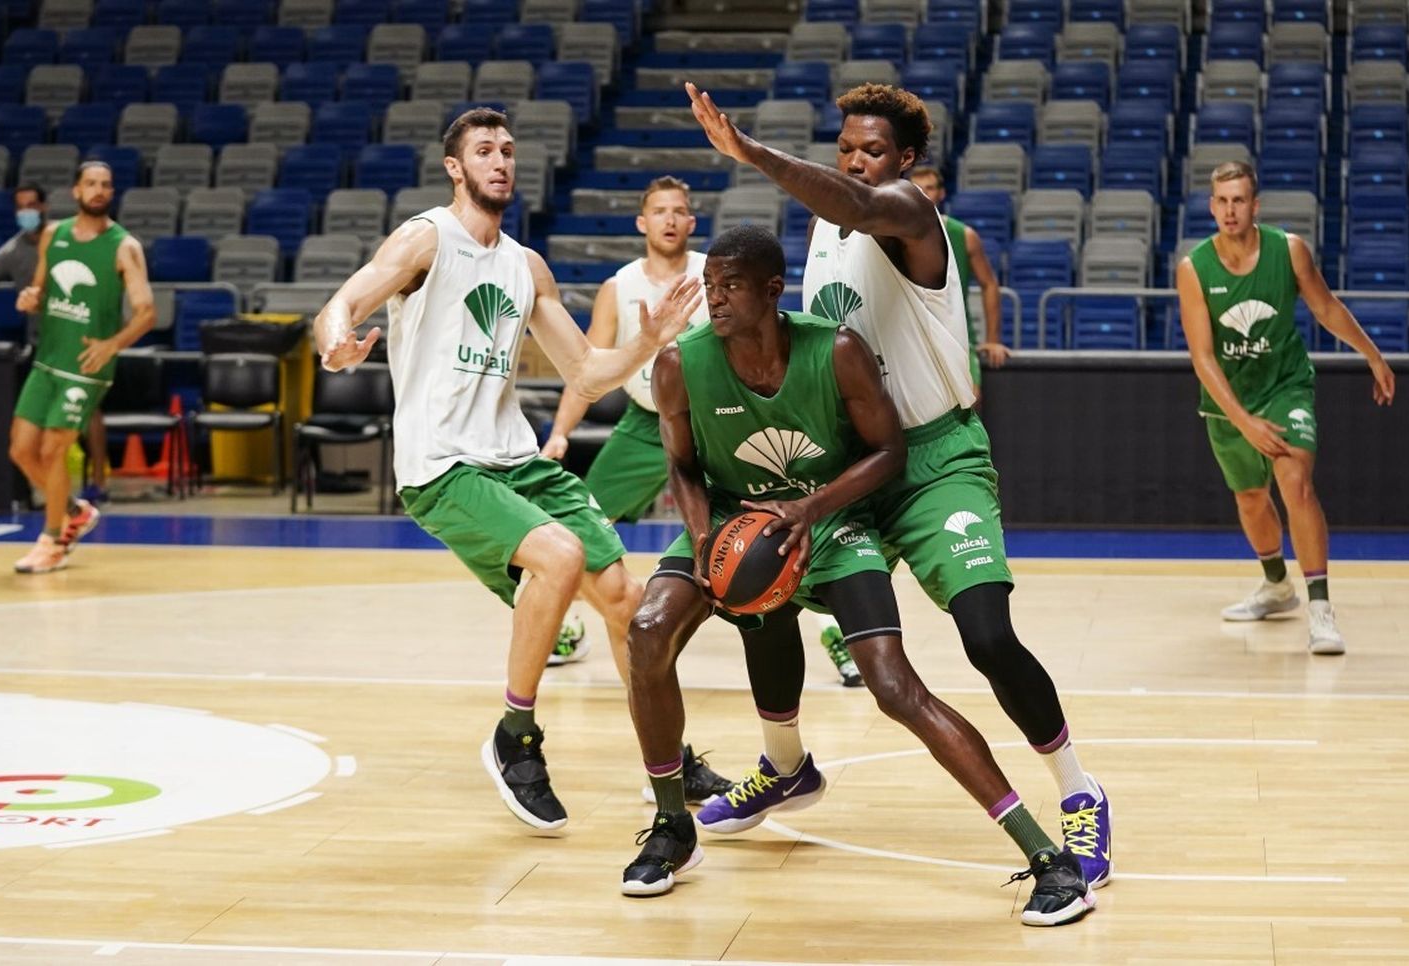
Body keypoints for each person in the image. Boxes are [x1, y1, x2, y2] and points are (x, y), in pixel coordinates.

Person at [683, 81, 1113, 894]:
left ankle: (1078, 789)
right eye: (845, 147)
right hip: (852, 458)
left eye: (871, 151)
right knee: (756, 588)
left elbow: (853, 199)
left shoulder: (915, 216)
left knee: (986, 636)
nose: (853, 161)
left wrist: (749, 151)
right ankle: (785, 765)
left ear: (906, 162)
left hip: (936, 458)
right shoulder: (821, 226)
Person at [619, 226, 1094, 926]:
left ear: (773, 290)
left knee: (894, 687)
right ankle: (671, 826)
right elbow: (684, 468)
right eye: (710, 285)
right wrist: (704, 543)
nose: (714, 298)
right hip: (730, 525)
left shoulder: (835, 352)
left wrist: (809, 510)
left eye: (731, 286)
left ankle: (1047, 857)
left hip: (832, 522)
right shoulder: (678, 366)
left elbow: (889, 453)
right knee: (647, 629)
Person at [312, 108, 725, 831]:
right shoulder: (425, 238)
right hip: (443, 464)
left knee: (625, 600)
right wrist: (337, 341)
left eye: (507, 150)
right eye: (484, 151)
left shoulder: (526, 266)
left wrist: (649, 339)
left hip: (516, 460)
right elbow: (346, 298)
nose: (500, 161)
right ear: (455, 167)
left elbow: (588, 374)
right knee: (560, 558)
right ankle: (515, 736)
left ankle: (669, 757)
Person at [536, 176, 861, 689]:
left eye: (679, 210)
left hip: (726, 414)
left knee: (770, 528)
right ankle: (571, 625)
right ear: (642, 223)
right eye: (659, 210)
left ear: (692, 222)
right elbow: (588, 370)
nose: (669, 219)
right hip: (647, 422)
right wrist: (559, 432)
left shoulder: (721, 270)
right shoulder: (619, 287)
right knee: (578, 527)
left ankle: (834, 631)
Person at [1176, 161, 1396, 655]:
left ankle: (1320, 607)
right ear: (1212, 206)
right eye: (1222, 201)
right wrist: (1245, 422)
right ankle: (1277, 586)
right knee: (1251, 499)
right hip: (1229, 402)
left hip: (1286, 386)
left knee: (1294, 480)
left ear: (1255, 206)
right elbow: (1202, 357)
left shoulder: (1288, 249)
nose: (1230, 210)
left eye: (1239, 201)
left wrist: (1372, 355)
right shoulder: (1193, 269)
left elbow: (1327, 307)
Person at [7, 164, 155, 574]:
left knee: (54, 450)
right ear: (76, 190)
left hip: (87, 365)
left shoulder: (125, 246)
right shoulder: (54, 234)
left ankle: (52, 540)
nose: (99, 190)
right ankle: (75, 511)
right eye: (91, 183)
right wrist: (30, 299)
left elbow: (146, 313)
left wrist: (112, 345)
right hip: (49, 357)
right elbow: (41, 289)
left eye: (106, 185)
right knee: (20, 449)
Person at [0, 183, 110, 505]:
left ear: (44, 207)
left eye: (32, 205)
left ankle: (100, 483)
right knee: (34, 429)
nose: (27, 213)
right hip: (41, 346)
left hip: (80, 341)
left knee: (88, 414)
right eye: (20, 207)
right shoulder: (11, 250)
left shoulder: (68, 239)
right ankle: (58, 499)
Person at [905, 164, 1011, 394]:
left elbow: (989, 283)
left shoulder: (964, 236)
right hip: (909, 336)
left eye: (930, 188)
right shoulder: (892, 235)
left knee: (970, 399)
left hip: (956, 335)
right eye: (917, 189)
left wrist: (993, 339)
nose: (924, 194)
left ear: (941, 193)